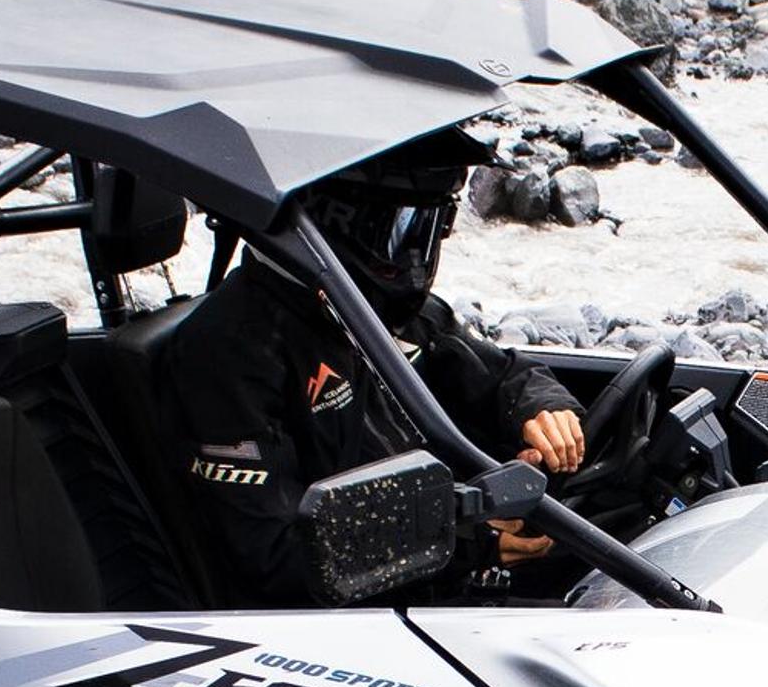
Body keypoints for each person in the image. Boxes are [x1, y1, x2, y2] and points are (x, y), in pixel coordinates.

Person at [156, 132, 585, 604]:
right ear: (338, 220)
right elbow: (274, 556)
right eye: (398, 229)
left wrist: (541, 409)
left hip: (431, 569)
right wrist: (464, 537)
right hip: (352, 623)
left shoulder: (383, 314)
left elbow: (502, 373)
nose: (414, 255)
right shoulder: (230, 352)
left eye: (426, 228)